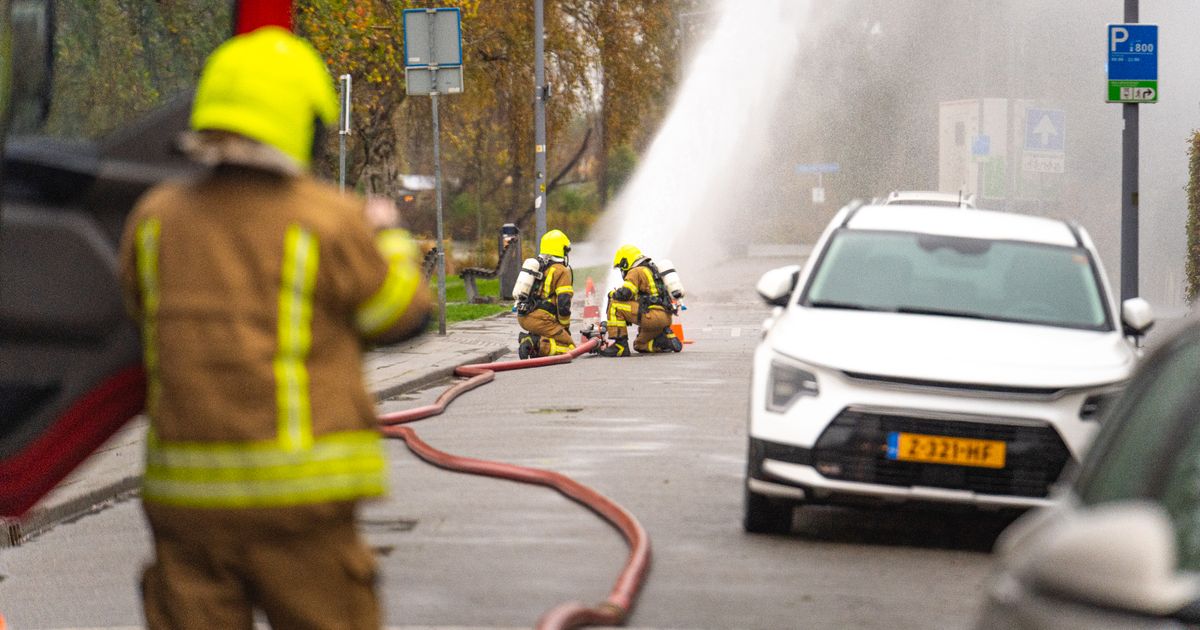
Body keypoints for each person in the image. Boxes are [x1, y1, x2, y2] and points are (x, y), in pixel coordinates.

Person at [117, 27, 431, 629]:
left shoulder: (153, 220)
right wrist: (388, 237)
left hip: (186, 507)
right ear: (306, 126)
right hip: (301, 506)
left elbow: (140, 321)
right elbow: (401, 316)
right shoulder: (326, 220)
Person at [600, 244, 683, 357]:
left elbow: (625, 294)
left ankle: (620, 347)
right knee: (640, 345)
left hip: (652, 317)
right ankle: (664, 340)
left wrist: (612, 294)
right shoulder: (652, 269)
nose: (621, 270)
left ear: (626, 262)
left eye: (621, 267)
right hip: (665, 318)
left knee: (615, 304)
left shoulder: (636, 271)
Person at [516, 229, 575, 358]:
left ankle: (532, 338)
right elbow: (564, 304)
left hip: (523, 316)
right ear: (561, 249)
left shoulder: (540, 267)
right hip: (541, 320)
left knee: (554, 337)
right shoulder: (562, 271)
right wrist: (565, 327)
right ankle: (535, 344)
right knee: (570, 348)